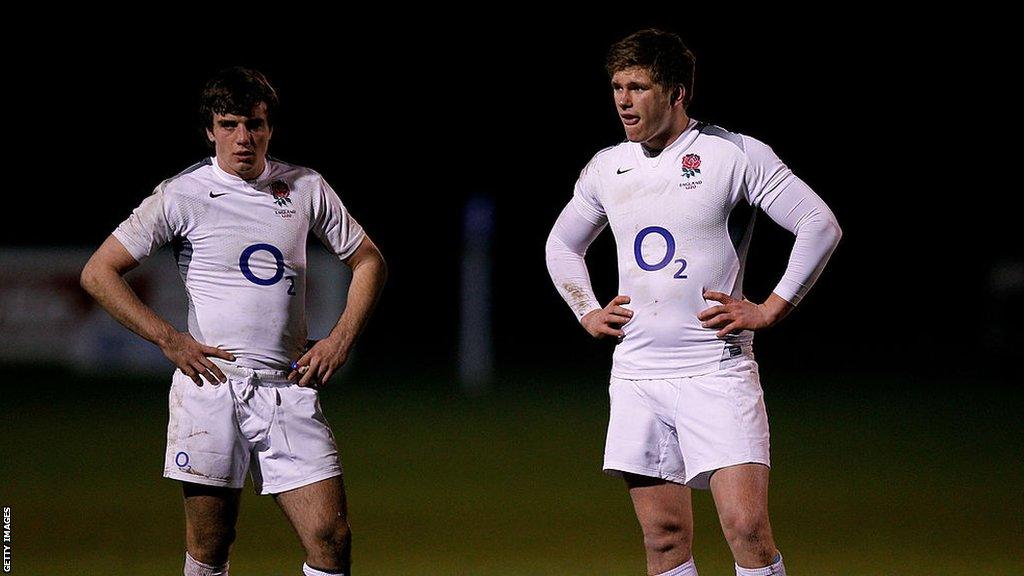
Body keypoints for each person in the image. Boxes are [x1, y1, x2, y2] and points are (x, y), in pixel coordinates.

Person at [545, 30, 841, 576]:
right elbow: (561, 244)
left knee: (747, 529)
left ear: (677, 93)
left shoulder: (733, 154)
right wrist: (586, 309)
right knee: (663, 539)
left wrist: (771, 307)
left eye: (638, 87)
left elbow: (818, 224)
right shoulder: (609, 165)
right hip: (637, 374)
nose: (623, 100)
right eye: (616, 87)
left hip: (716, 370)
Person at [80, 66, 386, 576]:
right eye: (229, 124)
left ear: (270, 127)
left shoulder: (304, 186)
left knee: (331, 538)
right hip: (213, 386)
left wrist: (339, 339)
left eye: (255, 124)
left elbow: (368, 259)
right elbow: (99, 272)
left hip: (286, 387)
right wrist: (170, 340)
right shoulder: (180, 194)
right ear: (209, 129)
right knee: (211, 544)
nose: (243, 138)